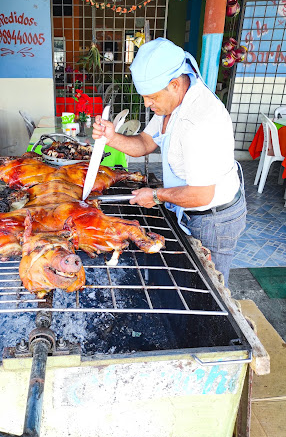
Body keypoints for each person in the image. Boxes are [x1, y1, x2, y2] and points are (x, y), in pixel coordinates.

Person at [92, 38, 246, 285]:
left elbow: (202, 195)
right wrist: (111, 137)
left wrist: (156, 195)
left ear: (174, 85)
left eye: (151, 97)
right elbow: (144, 143)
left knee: (209, 287)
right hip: (191, 209)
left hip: (214, 219)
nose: (146, 104)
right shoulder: (170, 105)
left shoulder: (199, 122)